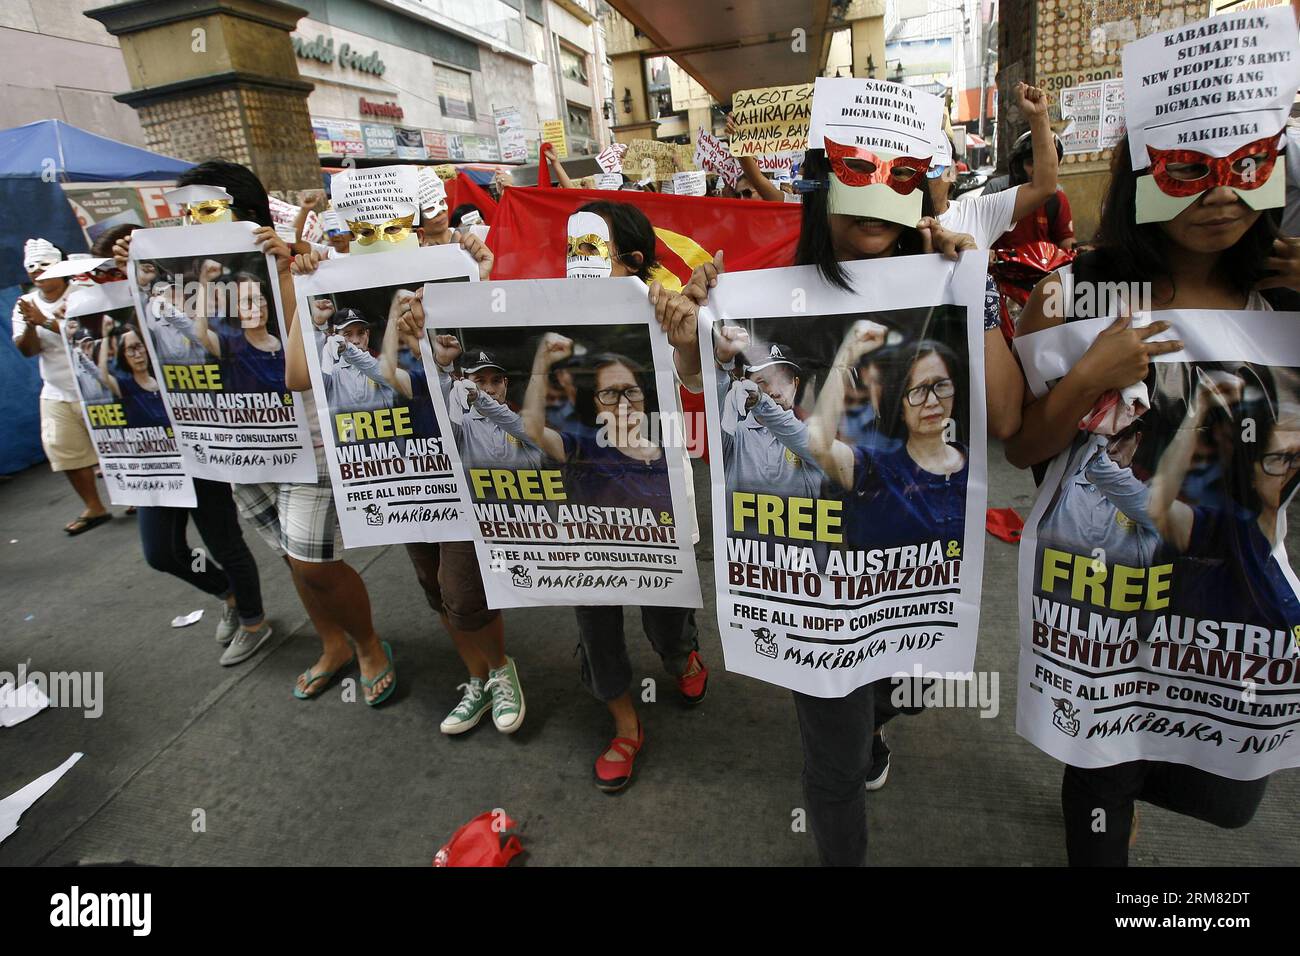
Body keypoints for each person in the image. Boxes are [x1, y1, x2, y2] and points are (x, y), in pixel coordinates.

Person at [671, 114, 1023, 862]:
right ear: (817, 181)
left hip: (907, 562)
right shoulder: (759, 280)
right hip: (816, 581)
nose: (874, 195)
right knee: (831, 756)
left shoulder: (946, 268)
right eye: (853, 170)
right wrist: (686, 324)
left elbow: (1010, 415)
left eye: (898, 174)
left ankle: (874, 722)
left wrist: (976, 287)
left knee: (906, 684)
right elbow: (701, 373)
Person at [1004, 133, 1300, 865]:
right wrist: (1086, 379)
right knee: (1101, 769)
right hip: (1102, 597)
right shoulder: (1073, 293)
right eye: (1191, 169)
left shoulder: (1283, 296)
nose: (1221, 194)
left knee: (1229, 793)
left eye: (1245, 168)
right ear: (1143, 176)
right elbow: (1024, 448)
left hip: (1229, 604)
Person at [121, 159, 395, 701]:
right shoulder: (183, 278)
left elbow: (309, 341)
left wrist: (295, 268)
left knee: (310, 560)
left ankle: (367, 644)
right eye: (183, 215)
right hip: (231, 443)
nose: (190, 226)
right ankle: (332, 643)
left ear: (245, 215)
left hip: (305, 439)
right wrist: (132, 269)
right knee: (287, 553)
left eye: (204, 211)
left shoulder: (291, 265)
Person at [289, 190, 504, 716]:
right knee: (433, 586)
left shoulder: (447, 323)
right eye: (364, 230)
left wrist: (482, 274)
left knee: (465, 595)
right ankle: (476, 678)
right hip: (397, 480)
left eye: (393, 226)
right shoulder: (363, 349)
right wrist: (305, 290)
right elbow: (298, 375)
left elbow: (492, 342)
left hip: (459, 475)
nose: (380, 239)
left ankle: (501, 673)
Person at [12, 238, 111, 535]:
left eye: (44, 264)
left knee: (114, 445)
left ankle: (137, 498)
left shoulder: (84, 294)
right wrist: (31, 323)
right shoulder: (25, 304)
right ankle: (94, 506)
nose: (37, 271)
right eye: (31, 266)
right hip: (56, 389)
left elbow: (89, 336)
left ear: (61, 266)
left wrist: (45, 321)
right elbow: (27, 350)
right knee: (64, 450)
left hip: (98, 384)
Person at [931, 83, 1059, 248]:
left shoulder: (977, 214)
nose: (922, 174)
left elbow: (1044, 187)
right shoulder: (893, 228)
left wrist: (1038, 116)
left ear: (952, 172)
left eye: (933, 166)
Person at [992, 128, 1074, 252]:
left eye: (1044, 163)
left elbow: (1066, 240)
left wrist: (1071, 255)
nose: (1038, 169)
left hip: (1046, 269)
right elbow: (977, 233)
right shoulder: (997, 189)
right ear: (1018, 167)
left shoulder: (1056, 197)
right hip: (1003, 268)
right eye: (1031, 163)